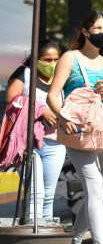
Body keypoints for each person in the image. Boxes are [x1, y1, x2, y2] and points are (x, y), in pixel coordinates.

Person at [47, 10, 103, 244]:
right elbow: (53, 95)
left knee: (97, 193)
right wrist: (64, 119)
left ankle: (77, 239)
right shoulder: (71, 58)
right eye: (98, 28)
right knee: (93, 189)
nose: (102, 33)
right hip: (80, 136)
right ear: (85, 31)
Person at [5, 40, 64, 219]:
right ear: (36, 59)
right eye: (47, 60)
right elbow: (12, 100)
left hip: (55, 143)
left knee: (48, 195)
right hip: (28, 143)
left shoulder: (61, 76)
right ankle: (34, 231)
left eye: (56, 59)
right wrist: (41, 110)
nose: (52, 64)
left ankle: (47, 231)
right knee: (35, 193)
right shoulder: (26, 74)